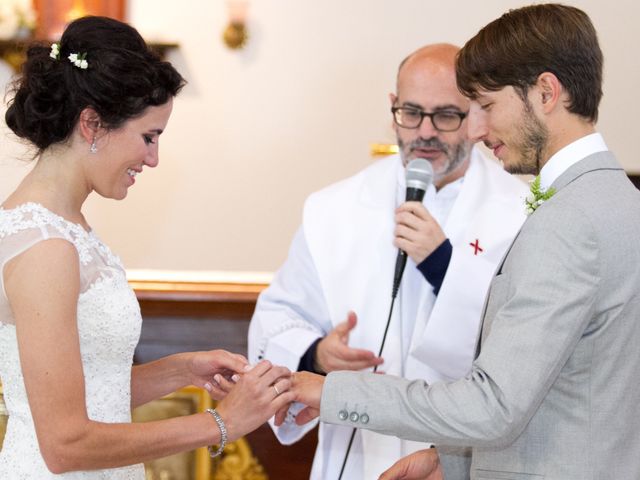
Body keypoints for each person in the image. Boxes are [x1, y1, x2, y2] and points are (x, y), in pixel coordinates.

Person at [280, 4, 640, 480]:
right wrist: (451, 458)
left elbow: (493, 404)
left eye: (487, 107)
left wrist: (330, 392)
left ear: (546, 92)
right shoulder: (619, 199)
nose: (476, 129)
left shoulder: (568, 220)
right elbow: (571, 393)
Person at [0, 16, 292, 479]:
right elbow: (65, 443)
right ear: (92, 124)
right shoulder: (45, 246)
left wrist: (181, 369)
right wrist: (220, 423)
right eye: (148, 137)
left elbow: (92, 390)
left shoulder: (63, 227)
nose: (152, 159)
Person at [248, 43, 528, 479]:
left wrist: (442, 266)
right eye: (411, 113)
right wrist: (318, 354)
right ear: (392, 106)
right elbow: (280, 316)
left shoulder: (519, 213)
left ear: (476, 115)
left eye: (446, 115)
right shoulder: (333, 208)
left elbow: (525, 346)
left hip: (461, 458)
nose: (425, 132)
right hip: (360, 453)